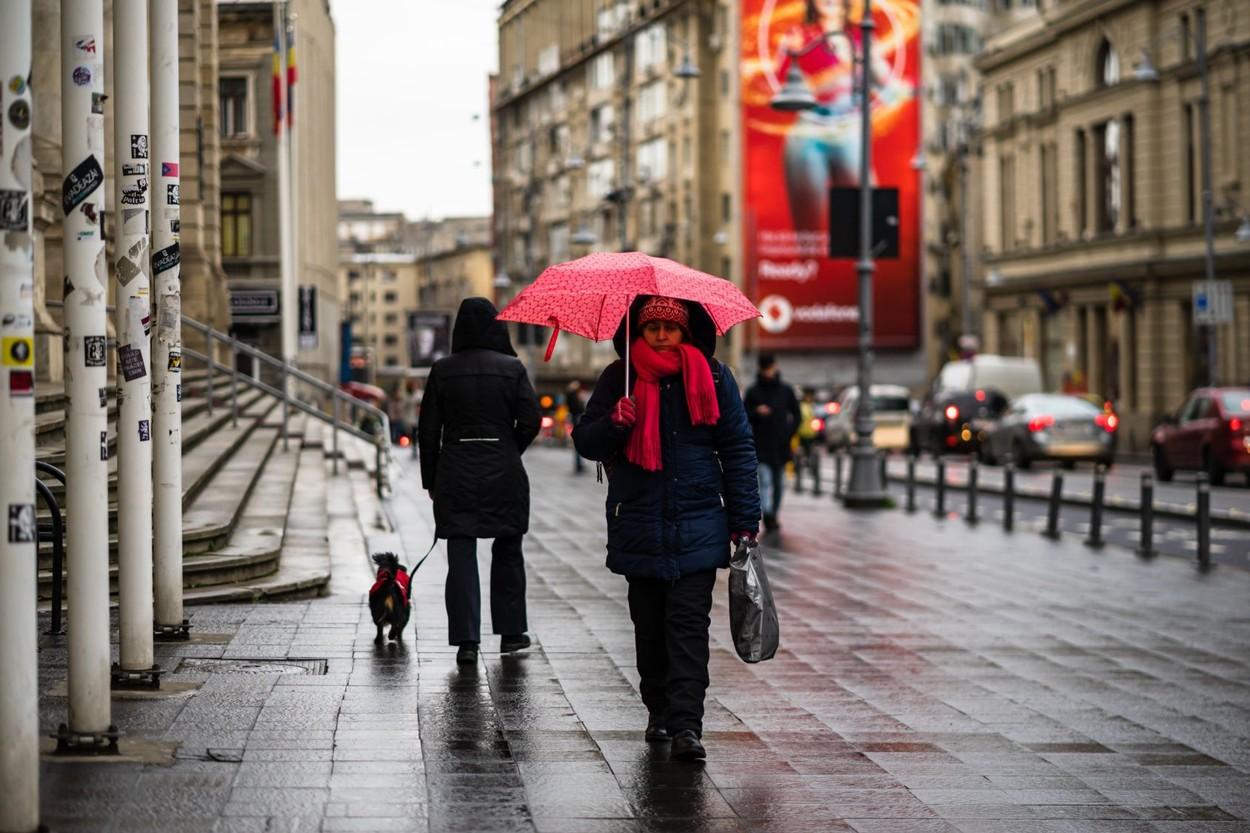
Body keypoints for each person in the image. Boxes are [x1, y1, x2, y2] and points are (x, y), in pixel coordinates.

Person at [573, 295, 759, 762]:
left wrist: (744, 522)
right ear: (637, 331)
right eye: (651, 326)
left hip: (698, 520)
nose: (660, 334)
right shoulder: (621, 377)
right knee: (650, 627)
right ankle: (657, 709)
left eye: (669, 326)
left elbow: (737, 449)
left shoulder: (714, 378)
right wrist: (616, 423)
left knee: (688, 628)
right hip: (639, 519)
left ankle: (686, 727)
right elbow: (586, 442)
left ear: (686, 331)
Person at [417, 297, 541, 666]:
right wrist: (509, 448)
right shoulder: (513, 368)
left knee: (460, 554)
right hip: (504, 469)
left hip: (455, 470)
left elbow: (428, 431)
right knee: (508, 549)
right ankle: (511, 632)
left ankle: (467, 641)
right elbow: (531, 420)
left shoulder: (442, 370)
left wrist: (431, 478)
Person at [744, 354, 800, 532]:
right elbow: (743, 416)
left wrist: (789, 432)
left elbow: (797, 414)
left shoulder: (785, 390)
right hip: (761, 445)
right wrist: (756, 412)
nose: (768, 372)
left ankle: (773, 514)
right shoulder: (754, 392)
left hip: (781, 445)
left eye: (770, 368)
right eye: (765, 369)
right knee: (765, 481)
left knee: (779, 483)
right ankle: (767, 514)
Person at [566, 379, 586, 474]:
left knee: (578, 442)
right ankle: (579, 465)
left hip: (575, 417)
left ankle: (579, 465)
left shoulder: (570, 395)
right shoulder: (573, 396)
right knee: (579, 441)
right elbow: (579, 408)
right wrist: (580, 401)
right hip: (577, 417)